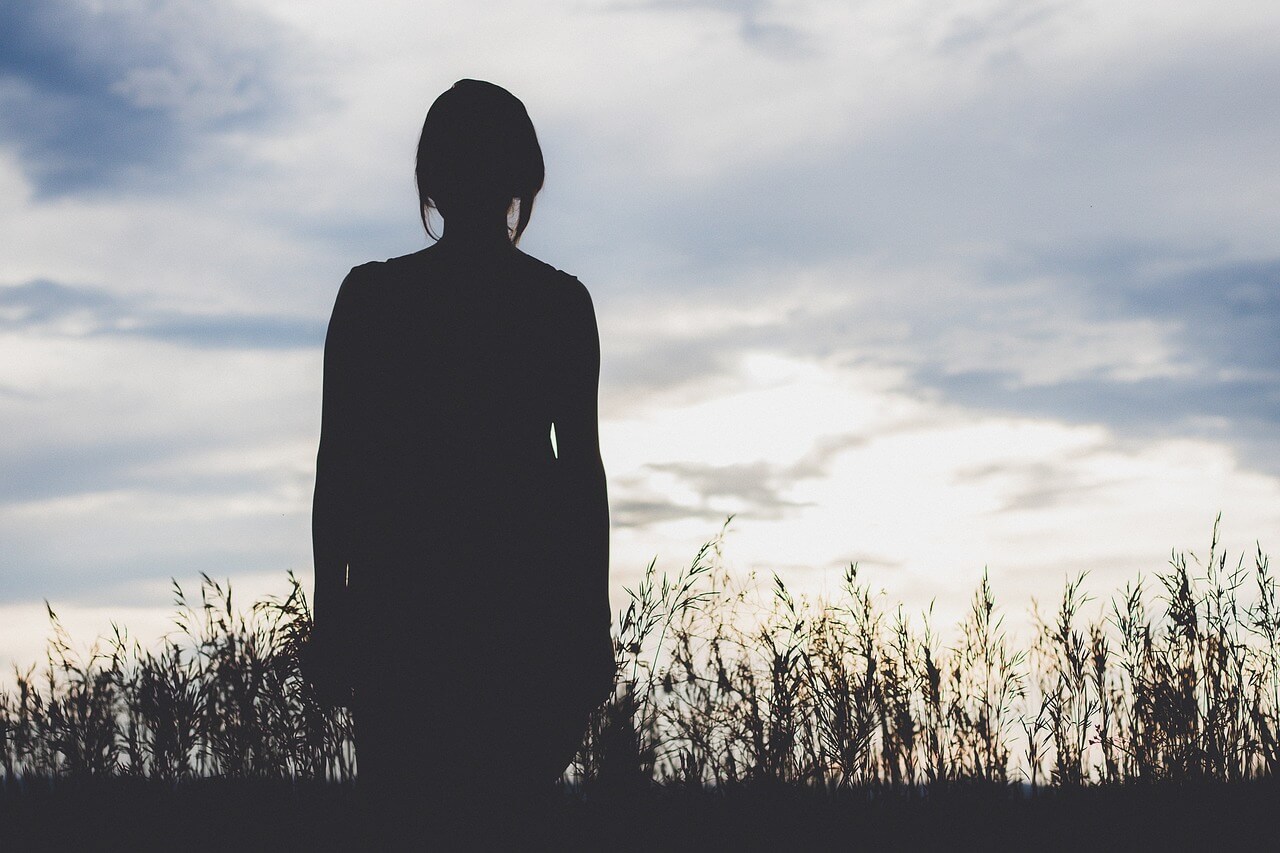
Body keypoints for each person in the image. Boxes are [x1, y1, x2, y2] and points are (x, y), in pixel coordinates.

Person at [306, 79, 614, 845]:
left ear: (431, 179)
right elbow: (581, 475)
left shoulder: (371, 299)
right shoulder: (558, 304)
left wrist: (332, 610)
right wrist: (591, 620)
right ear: (523, 180)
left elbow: (338, 467)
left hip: (405, 612)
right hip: (520, 613)